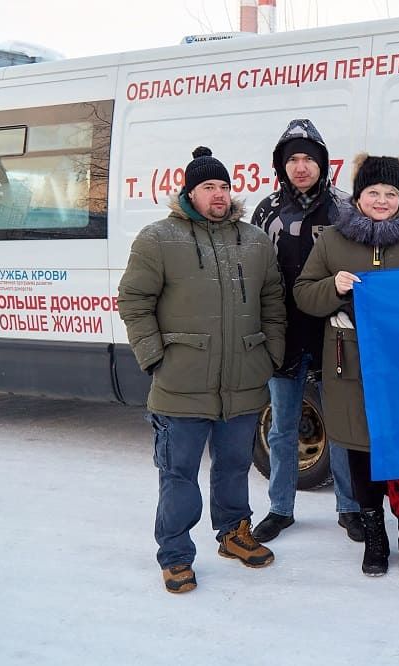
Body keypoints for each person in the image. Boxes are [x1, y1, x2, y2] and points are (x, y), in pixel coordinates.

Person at [118, 146, 287, 593]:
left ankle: (234, 533)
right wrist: (155, 356)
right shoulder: (158, 239)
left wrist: (271, 353)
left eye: (224, 186)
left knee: (234, 466)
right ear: (190, 192)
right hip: (181, 382)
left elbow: (273, 301)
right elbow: (134, 301)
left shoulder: (254, 241)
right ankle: (175, 554)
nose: (219, 194)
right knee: (178, 475)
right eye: (208, 186)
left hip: (243, 381)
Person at [294, 153, 399, 578]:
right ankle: (374, 537)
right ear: (358, 196)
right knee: (361, 453)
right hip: (351, 367)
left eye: (391, 193)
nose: (382, 200)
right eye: (374, 192)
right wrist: (333, 288)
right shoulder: (332, 241)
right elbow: (303, 294)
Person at [249, 119, 364, 544]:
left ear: (323, 164)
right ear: (282, 165)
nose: (301, 167)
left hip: (334, 332)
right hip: (284, 335)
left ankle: (350, 508)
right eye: (293, 159)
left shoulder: (345, 208)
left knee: (342, 425)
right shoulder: (266, 211)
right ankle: (280, 508)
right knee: (282, 426)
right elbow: (255, 273)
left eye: (309, 159)